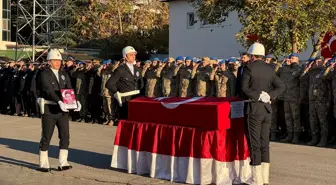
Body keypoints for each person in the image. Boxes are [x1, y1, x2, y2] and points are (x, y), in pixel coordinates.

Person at [241, 42, 285, 185]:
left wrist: (258, 95)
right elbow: (281, 86)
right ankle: (265, 179)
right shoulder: (269, 69)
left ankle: (257, 179)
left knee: (255, 144)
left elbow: (244, 88)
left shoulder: (248, 68)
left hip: (254, 109)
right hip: (267, 109)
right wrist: (269, 96)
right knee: (265, 143)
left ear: (252, 56)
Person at [38, 49, 81, 172]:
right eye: (55, 60)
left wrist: (75, 102)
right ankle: (43, 163)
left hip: (63, 111)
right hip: (49, 109)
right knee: (47, 136)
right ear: (49, 61)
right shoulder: (44, 74)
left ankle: (63, 162)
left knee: (65, 136)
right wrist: (59, 101)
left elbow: (69, 90)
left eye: (59, 60)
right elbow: (48, 90)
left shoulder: (64, 74)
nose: (58, 62)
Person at [105, 46, 143, 120]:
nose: (133, 56)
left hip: (136, 98)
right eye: (131, 55)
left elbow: (141, 83)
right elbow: (109, 84)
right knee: (126, 120)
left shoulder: (137, 69)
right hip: (125, 99)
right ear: (125, 56)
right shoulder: (120, 70)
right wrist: (117, 92)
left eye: (134, 54)